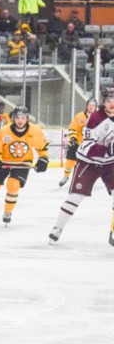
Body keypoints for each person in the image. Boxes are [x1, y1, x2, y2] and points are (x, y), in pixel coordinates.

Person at [49, 88, 114, 244]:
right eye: (109, 100)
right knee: (76, 196)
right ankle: (58, 228)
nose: (112, 103)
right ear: (103, 102)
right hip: (89, 162)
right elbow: (88, 146)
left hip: (110, 163)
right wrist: (107, 149)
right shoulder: (95, 119)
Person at [0, 106, 49, 226]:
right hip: (4, 161)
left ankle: (7, 212)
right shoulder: (4, 131)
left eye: (23, 118)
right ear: (13, 118)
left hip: (22, 163)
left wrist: (43, 159)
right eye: (18, 118)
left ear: (27, 118)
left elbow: (42, 148)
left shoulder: (35, 131)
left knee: (13, 185)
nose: (20, 121)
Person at [59, 98, 98, 187]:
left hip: (91, 145)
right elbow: (73, 128)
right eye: (89, 105)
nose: (91, 107)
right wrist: (73, 138)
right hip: (77, 144)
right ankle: (66, 176)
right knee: (70, 160)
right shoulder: (79, 116)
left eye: (93, 105)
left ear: (96, 107)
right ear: (87, 106)